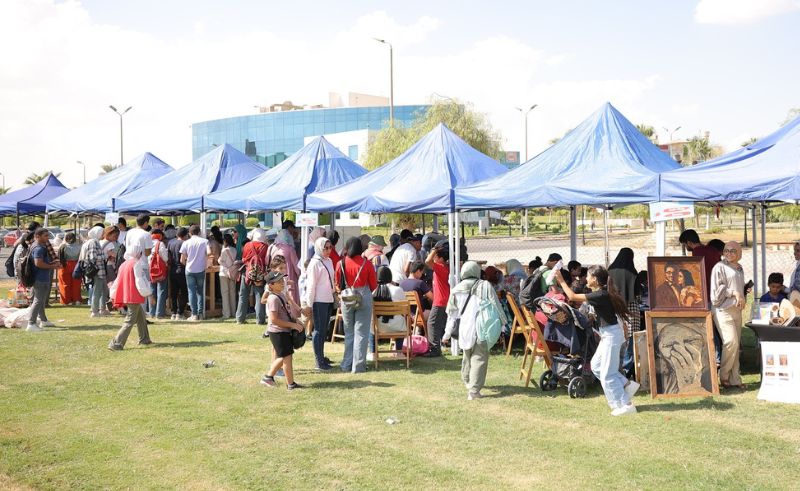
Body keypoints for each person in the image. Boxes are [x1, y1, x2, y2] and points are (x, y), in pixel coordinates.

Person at [554, 265, 638, 416]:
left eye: (588, 276)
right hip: (609, 334)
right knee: (596, 366)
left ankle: (626, 404)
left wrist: (561, 280)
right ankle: (626, 384)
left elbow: (572, 297)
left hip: (611, 335)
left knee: (608, 374)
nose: (585, 278)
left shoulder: (600, 295)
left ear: (595, 279)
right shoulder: (601, 294)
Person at [443, 261, 507, 400]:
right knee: (479, 358)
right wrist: (502, 324)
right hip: (482, 328)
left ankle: (467, 380)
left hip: (464, 329)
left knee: (467, 356)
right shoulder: (485, 286)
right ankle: (474, 390)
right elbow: (496, 305)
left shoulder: (456, 289)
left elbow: (451, 315)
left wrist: (447, 334)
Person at [335, 236, 377, 373]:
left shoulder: (340, 263)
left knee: (349, 333)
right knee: (362, 333)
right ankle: (358, 366)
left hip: (347, 297)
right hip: (364, 295)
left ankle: (346, 364)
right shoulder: (367, 263)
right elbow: (373, 285)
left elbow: (337, 284)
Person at [710, 241, 746, 389]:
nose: (729, 253)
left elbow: (738, 287)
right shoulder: (719, 267)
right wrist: (734, 293)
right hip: (722, 310)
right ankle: (723, 376)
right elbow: (715, 293)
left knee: (736, 345)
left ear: (739, 253)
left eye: (733, 251)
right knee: (730, 342)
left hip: (736, 310)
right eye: (726, 250)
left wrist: (742, 296)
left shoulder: (739, 267)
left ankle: (734, 379)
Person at [259, 271, 304, 390]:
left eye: (282, 280)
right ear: (270, 285)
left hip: (283, 330)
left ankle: (269, 378)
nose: (282, 283)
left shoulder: (281, 295)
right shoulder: (273, 299)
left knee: (285, 356)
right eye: (278, 281)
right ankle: (289, 384)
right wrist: (292, 325)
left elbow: (286, 313)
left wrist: (295, 320)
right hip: (278, 332)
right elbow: (274, 320)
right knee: (286, 357)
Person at [108, 244, 153, 350]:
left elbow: (118, 281)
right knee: (130, 320)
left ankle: (144, 339)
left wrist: (113, 294)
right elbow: (140, 281)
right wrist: (149, 293)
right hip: (133, 295)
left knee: (140, 316)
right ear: (138, 253)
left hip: (127, 294)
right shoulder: (136, 264)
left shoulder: (124, 264)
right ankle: (116, 343)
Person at [608, 248, 641, 378]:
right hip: (630, 312)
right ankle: (626, 370)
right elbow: (637, 296)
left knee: (616, 341)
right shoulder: (633, 273)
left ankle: (614, 369)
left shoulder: (610, 271)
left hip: (614, 311)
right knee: (630, 342)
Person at [304, 236, 336, 370]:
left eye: (330, 248)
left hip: (328, 299)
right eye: (325, 248)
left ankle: (321, 357)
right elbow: (311, 285)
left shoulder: (328, 261)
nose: (328, 250)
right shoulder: (314, 263)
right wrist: (309, 304)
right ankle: (319, 360)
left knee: (323, 330)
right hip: (318, 301)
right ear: (319, 248)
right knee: (318, 330)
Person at [369, 265, 408, 360]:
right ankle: (398, 352)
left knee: (371, 323)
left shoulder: (373, 292)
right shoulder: (398, 290)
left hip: (378, 328)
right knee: (401, 319)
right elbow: (405, 310)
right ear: (390, 276)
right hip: (398, 327)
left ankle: (373, 353)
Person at [26, 229, 61, 332]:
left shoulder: (37, 245)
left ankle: (43, 320)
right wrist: (52, 266)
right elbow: (38, 263)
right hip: (40, 278)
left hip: (40, 277)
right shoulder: (39, 248)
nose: (48, 238)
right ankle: (31, 323)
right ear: (37, 236)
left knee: (41, 300)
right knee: (38, 301)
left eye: (48, 235)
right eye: (45, 236)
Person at [237, 228, 269, 325]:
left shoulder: (247, 245)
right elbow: (267, 261)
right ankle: (260, 319)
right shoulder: (265, 246)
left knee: (243, 295)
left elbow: (243, 258)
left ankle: (240, 318)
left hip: (246, 272)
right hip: (260, 273)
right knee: (259, 295)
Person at [424, 240, 450, 357]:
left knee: (432, 323)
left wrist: (434, 249)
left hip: (440, 301)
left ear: (440, 258)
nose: (434, 258)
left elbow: (427, 261)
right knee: (442, 324)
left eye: (435, 256)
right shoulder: (447, 267)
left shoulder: (440, 267)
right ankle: (444, 344)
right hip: (445, 300)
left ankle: (434, 349)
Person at [180, 224, 210, 321]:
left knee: (191, 292)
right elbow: (209, 253)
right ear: (199, 232)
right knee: (200, 292)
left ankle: (194, 314)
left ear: (189, 232)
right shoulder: (205, 241)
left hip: (189, 269)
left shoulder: (186, 242)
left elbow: (182, 259)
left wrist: (187, 263)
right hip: (201, 269)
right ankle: (200, 314)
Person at [82, 225, 109, 318]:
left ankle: (100, 309)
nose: (103, 235)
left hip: (99, 270)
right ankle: (94, 311)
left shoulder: (95, 241)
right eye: (102, 233)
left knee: (100, 290)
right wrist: (105, 256)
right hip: (97, 271)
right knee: (97, 291)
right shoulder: (93, 242)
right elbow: (93, 257)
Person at [268, 229, 301, 306]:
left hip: (275, 274)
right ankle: (292, 313)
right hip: (288, 274)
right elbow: (296, 264)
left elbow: (267, 260)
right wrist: (299, 274)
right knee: (289, 294)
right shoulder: (290, 248)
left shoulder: (273, 247)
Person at [147, 229, 169, 319]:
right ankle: (159, 313)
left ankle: (151, 312)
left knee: (151, 291)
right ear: (160, 235)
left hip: (149, 270)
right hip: (160, 271)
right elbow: (165, 258)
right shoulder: (160, 244)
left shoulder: (147, 243)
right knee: (161, 291)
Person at [168, 227, 189, 320]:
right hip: (182, 269)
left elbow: (168, 257)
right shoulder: (184, 243)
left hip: (172, 270)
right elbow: (185, 257)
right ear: (185, 235)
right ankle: (180, 313)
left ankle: (173, 312)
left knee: (174, 292)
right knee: (184, 292)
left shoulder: (170, 243)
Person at [57, 232, 82, 305]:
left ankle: (67, 301)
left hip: (65, 265)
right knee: (76, 284)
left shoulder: (63, 246)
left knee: (65, 284)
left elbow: (59, 257)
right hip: (77, 265)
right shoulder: (79, 246)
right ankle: (77, 299)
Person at [218, 233, 238, 319]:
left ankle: (226, 313)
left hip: (224, 272)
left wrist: (218, 259)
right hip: (233, 272)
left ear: (225, 241)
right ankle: (233, 312)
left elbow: (221, 261)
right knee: (232, 293)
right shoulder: (235, 249)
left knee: (225, 293)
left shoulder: (224, 250)